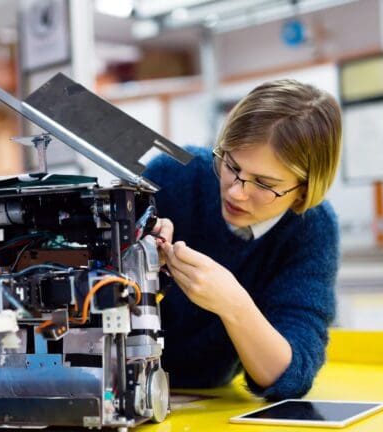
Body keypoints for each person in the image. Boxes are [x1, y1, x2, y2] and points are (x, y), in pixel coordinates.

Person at [144, 79, 342, 400]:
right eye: (231, 165)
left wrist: (232, 303)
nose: (236, 192)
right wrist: (134, 250)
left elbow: (291, 375)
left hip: (208, 401)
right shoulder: (172, 174)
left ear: (303, 190)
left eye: (264, 183)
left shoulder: (312, 229)